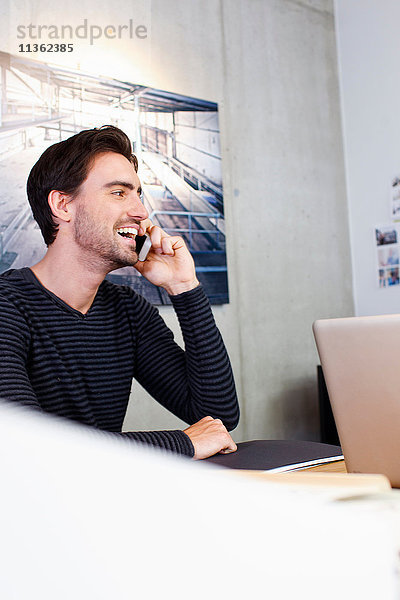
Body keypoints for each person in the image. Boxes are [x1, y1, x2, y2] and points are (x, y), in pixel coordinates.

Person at [0, 125, 239, 459]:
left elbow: (218, 416)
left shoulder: (128, 310)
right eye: (119, 192)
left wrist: (184, 287)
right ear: (62, 205)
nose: (141, 211)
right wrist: (183, 443)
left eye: (138, 193)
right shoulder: (7, 307)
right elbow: (31, 447)